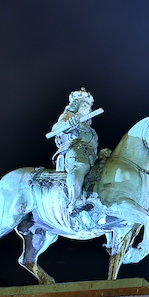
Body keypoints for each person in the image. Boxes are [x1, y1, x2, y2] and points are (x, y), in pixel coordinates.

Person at [51, 88, 98, 216]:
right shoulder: (68, 116)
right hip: (75, 153)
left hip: (91, 158)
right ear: (76, 106)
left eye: (88, 107)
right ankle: (74, 201)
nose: (87, 109)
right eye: (84, 105)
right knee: (78, 167)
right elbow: (57, 128)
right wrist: (68, 125)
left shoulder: (90, 129)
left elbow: (94, 146)